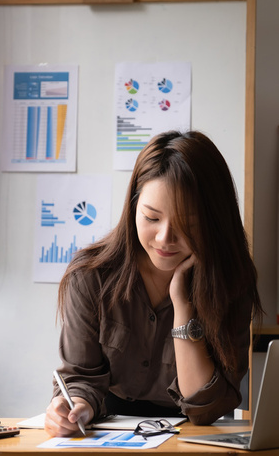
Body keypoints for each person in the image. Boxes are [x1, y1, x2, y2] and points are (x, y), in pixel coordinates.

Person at [44, 130, 263, 437]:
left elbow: (208, 408)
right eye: (151, 217)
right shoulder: (91, 276)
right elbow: (82, 378)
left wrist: (183, 306)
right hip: (110, 434)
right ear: (134, 207)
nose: (164, 239)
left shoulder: (231, 282)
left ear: (214, 221)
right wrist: (73, 406)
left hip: (193, 438)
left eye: (187, 224)